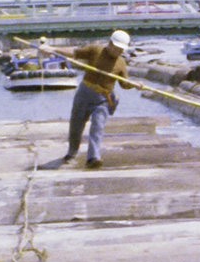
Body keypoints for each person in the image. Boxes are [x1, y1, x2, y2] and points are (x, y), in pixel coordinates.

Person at [48, 30, 143, 168]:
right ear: (109, 43)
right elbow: (75, 52)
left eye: (120, 50)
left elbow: (124, 83)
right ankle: (72, 152)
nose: (117, 52)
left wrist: (136, 85)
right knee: (76, 124)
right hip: (85, 93)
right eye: (116, 48)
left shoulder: (121, 62)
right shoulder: (95, 50)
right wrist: (53, 49)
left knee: (97, 127)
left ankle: (93, 157)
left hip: (103, 98)